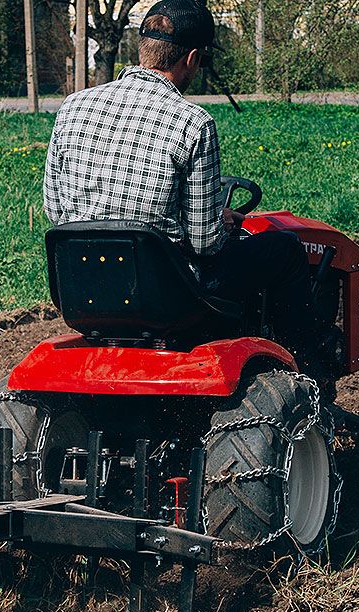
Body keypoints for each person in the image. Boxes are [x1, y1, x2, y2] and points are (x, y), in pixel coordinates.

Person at [43, 0, 325, 382]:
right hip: (168, 299)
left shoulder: (72, 107)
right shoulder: (193, 123)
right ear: (192, 58)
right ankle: (306, 373)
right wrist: (219, 222)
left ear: (143, 46)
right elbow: (204, 243)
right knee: (286, 251)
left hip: (85, 291)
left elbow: (57, 213)